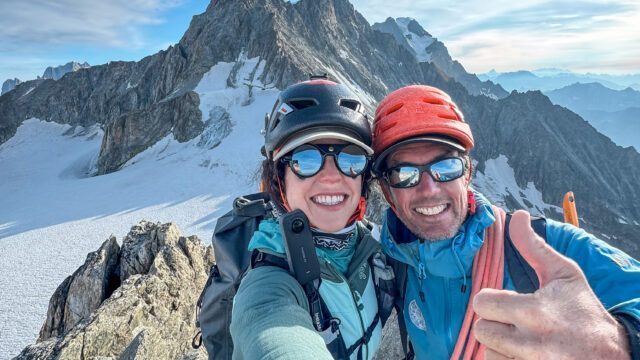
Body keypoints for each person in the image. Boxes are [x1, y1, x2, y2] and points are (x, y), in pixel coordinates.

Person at [371, 85, 640, 359]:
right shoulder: (393, 258)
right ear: (386, 190)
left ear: (467, 173)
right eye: (404, 174)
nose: (428, 189)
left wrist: (617, 343)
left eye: (446, 167)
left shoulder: (547, 248)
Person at [230, 78, 387, 360]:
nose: (331, 176)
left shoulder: (377, 248)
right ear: (280, 180)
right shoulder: (268, 285)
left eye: (351, 158)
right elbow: (273, 332)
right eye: (306, 159)